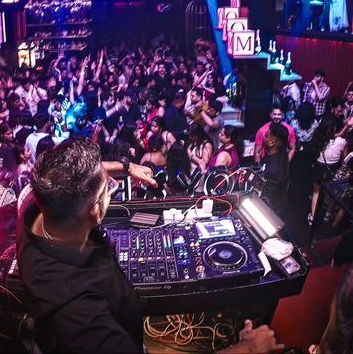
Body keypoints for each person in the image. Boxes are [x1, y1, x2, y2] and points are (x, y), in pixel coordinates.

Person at [17, 138, 282, 354]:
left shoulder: (35, 203)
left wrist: (126, 167)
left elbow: (75, 177)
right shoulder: (74, 308)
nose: (111, 188)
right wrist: (248, 349)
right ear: (95, 211)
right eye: (108, 189)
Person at [261, 122, 290, 214]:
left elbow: (266, 198)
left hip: (269, 212)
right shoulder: (279, 154)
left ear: (272, 142)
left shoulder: (274, 169)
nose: (263, 137)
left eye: (266, 136)